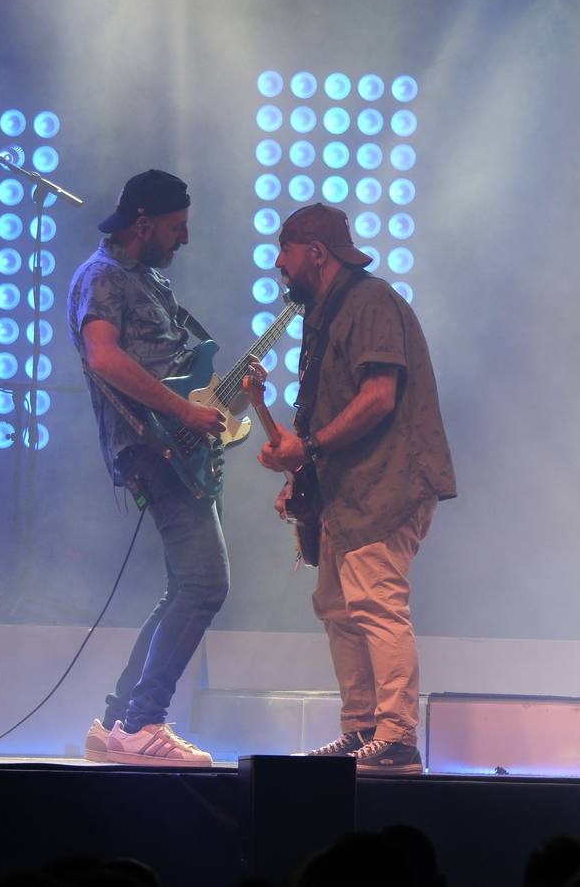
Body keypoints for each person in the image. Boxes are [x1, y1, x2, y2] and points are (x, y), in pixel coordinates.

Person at [256, 203, 456, 775]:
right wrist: (302, 475)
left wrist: (309, 450)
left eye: (285, 252)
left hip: (386, 484)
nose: (278, 264)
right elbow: (335, 408)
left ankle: (395, 737)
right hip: (350, 490)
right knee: (341, 608)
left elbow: (378, 397)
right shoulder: (327, 312)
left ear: (316, 254)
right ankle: (363, 728)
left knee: (374, 603)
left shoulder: (369, 303)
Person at [68, 169, 232, 766]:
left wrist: (214, 405)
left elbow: (173, 370)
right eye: (176, 227)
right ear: (144, 224)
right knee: (206, 584)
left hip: (176, 443)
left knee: (183, 589)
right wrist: (182, 412)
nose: (184, 238)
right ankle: (143, 724)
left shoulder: (148, 279)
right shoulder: (103, 276)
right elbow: (104, 355)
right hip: (152, 446)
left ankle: (116, 723)